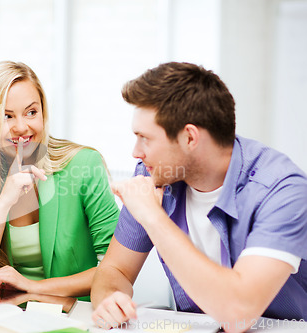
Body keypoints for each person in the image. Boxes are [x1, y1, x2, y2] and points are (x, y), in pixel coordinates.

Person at [91, 62, 307, 331]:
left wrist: (153, 217)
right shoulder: (155, 176)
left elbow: (238, 312)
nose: (136, 152)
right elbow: (115, 271)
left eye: (145, 138)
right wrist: (111, 299)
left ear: (190, 138)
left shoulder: (282, 190)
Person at [0, 61, 119, 299]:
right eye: (6, 116)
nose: (22, 127)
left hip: (74, 313)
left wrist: (32, 287)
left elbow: (115, 270)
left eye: (31, 112)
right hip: (10, 316)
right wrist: (2, 205)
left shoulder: (83, 165)